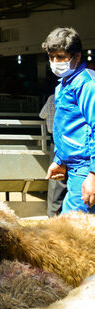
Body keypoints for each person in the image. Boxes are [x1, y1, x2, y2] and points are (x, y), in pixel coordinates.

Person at [42, 27, 95, 213]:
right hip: (74, 168)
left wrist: (93, 175)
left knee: (74, 231)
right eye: (52, 57)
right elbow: (67, 128)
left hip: (85, 168)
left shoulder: (87, 84)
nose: (55, 62)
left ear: (77, 56)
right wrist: (60, 159)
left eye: (61, 57)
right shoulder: (65, 84)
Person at [40, 93, 67, 216]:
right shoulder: (74, 93)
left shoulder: (52, 97)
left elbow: (42, 115)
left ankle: (53, 214)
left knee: (56, 181)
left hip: (55, 141)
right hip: (70, 140)